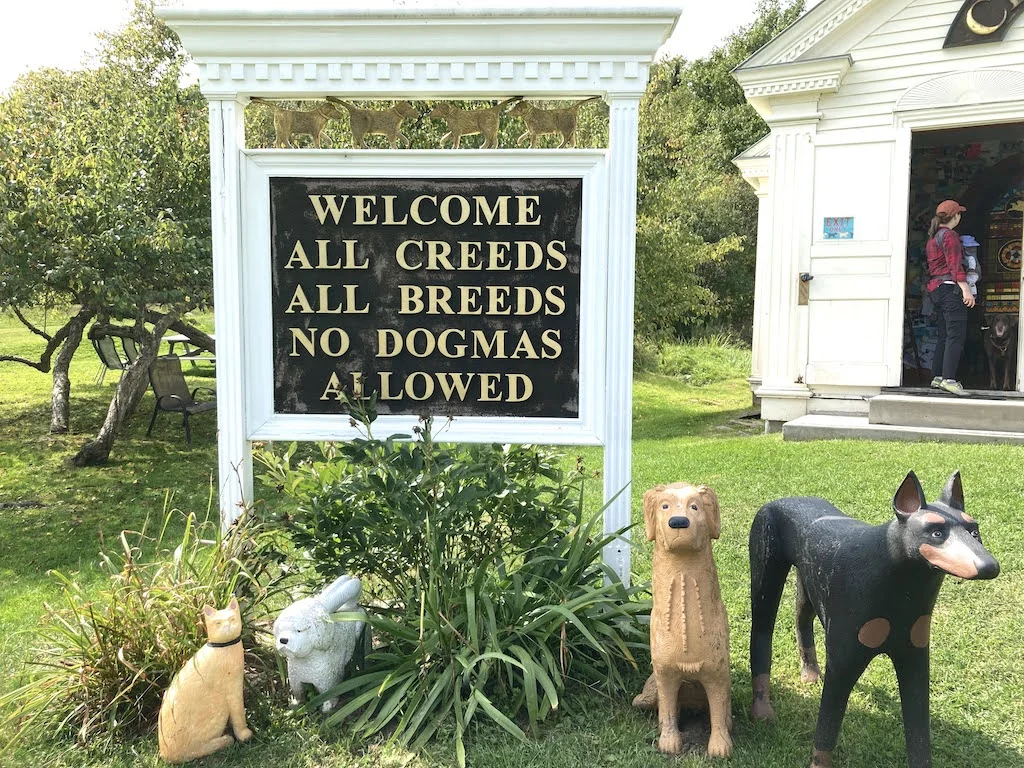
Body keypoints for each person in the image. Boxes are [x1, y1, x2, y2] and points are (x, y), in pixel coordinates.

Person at [926, 199, 975, 396]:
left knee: (944, 335)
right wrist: (966, 289)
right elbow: (955, 265)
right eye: (959, 214)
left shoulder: (933, 238)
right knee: (955, 335)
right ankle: (949, 379)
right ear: (955, 216)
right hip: (950, 290)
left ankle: (938, 377)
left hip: (936, 290)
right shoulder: (950, 236)